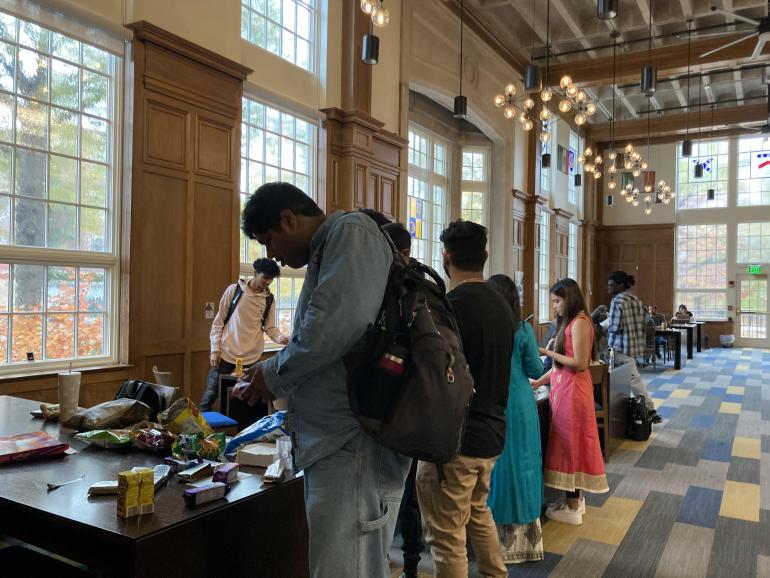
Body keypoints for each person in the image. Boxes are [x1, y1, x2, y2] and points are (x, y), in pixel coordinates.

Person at [232, 183, 411, 578]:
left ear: (288, 219)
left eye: (269, 240)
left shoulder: (351, 233)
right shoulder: (330, 248)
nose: (272, 254)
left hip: (353, 444)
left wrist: (271, 374)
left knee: (347, 568)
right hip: (341, 443)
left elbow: (330, 330)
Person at [416, 220, 512, 578]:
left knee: (446, 537)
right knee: (478, 511)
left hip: (455, 440)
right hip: (492, 433)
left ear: (445, 256)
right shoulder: (502, 304)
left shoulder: (448, 306)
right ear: (485, 256)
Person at [531, 278, 609, 525]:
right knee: (569, 444)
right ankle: (573, 500)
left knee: (572, 445)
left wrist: (547, 352)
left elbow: (579, 363)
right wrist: (538, 382)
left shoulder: (580, 323)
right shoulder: (571, 323)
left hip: (574, 394)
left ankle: (573, 505)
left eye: (557, 301)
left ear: (569, 299)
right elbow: (558, 369)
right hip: (565, 391)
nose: (554, 306)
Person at [486, 274, 545, 564]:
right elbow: (535, 370)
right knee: (524, 463)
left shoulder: (484, 326)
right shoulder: (522, 330)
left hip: (491, 401)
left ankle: (491, 538)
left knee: (496, 466)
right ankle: (524, 540)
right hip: (520, 402)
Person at [382, 220, 423, 578]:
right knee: (404, 493)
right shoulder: (425, 287)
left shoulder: (403, 287)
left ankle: (404, 561)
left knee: (400, 493)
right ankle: (406, 561)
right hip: (411, 407)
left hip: (394, 406)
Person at [201, 258, 289, 412]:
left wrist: (280, 338)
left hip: (251, 359)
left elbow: (270, 328)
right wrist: (215, 349)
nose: (267, 283)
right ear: (255, 273)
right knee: (210, 396)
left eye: (270, 280)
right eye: (265, 278)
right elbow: (218, 322)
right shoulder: (234, 290)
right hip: (226, 356)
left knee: (247, 402)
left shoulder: (269, 299)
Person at [606, 271, 661, 422]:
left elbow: (615, 327)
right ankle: (626, 411)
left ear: (620, 285)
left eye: (611, 285)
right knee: (628, 379)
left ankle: (650, 410)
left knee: (630, 379)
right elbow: (644, 321)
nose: (608, 288)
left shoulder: (617, 301)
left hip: (619, 348)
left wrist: (601, 325)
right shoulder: (634, 299)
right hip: (631, 345)